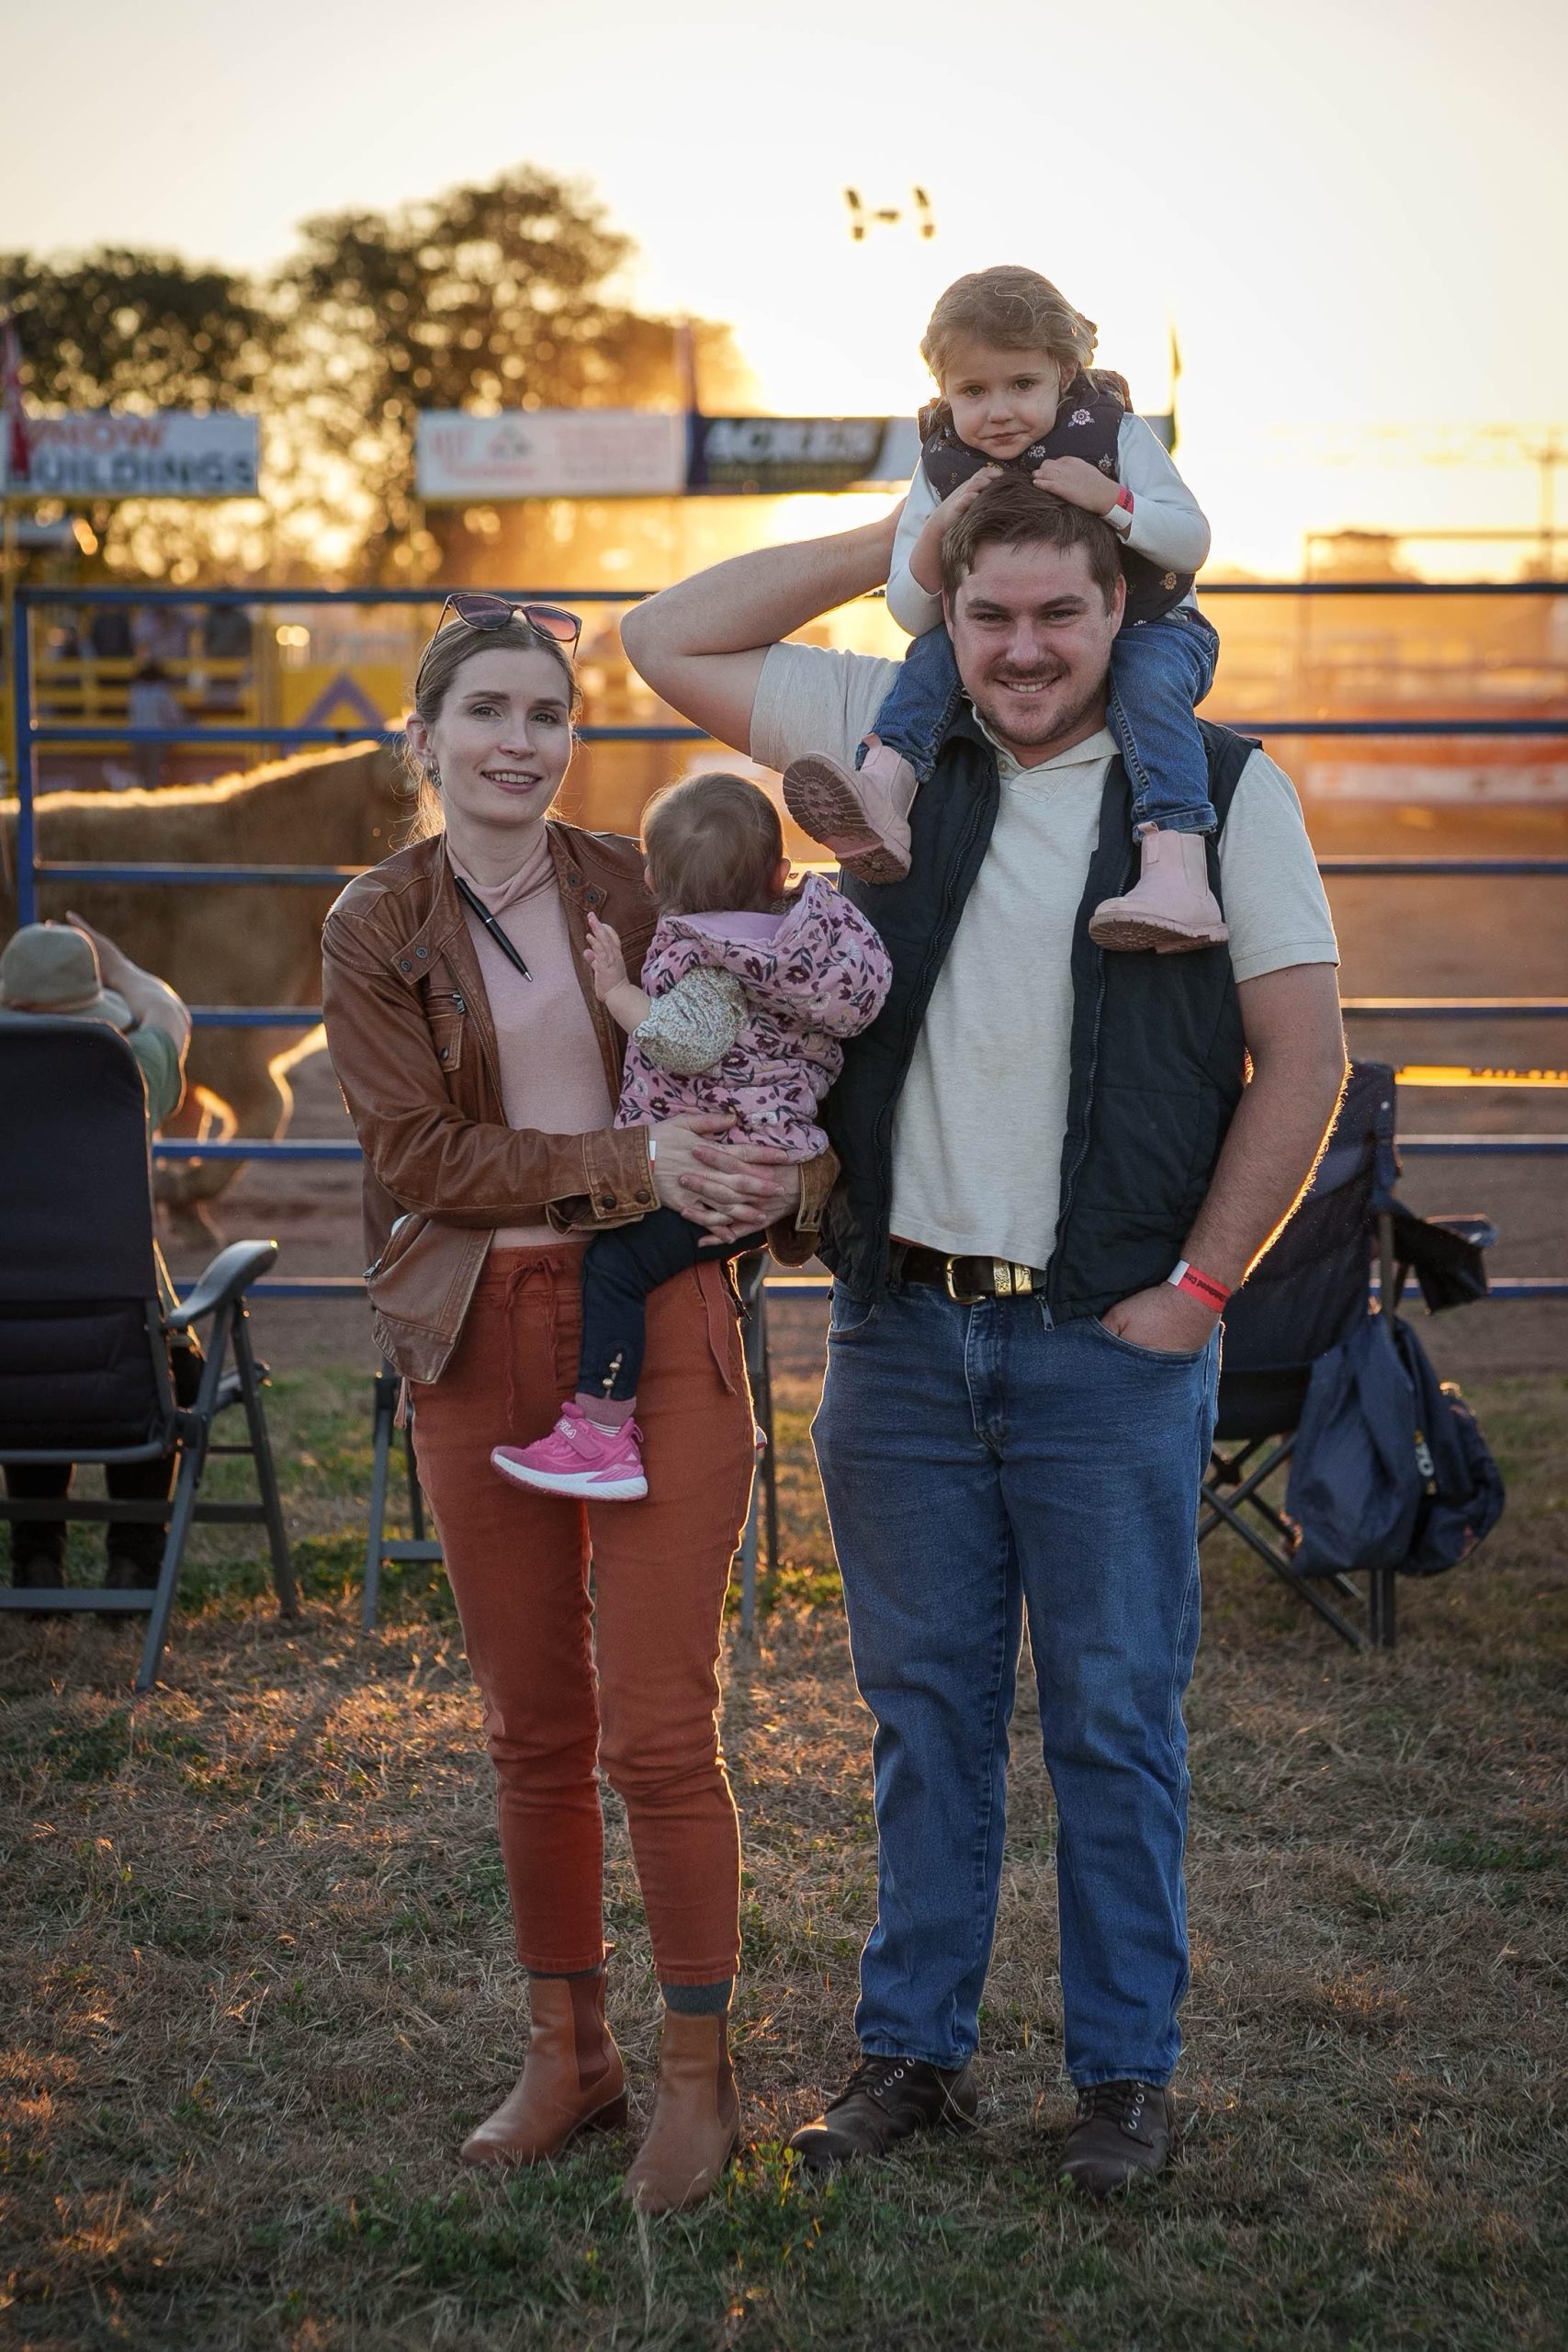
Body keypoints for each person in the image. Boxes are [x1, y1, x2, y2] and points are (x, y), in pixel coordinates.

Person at [621, 477, 1348, 2196]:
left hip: (1108, 1343)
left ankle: (1121, 2082)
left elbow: (1301, 1058)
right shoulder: (888, 740)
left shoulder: (1220, 793)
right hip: (899, 1334)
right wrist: (907, 530)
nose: (1019, 650)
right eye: (986, 614)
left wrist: (1202, 1290)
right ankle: (914, 2056)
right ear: (946, 614)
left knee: (1111, 1720)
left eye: (1058, 616)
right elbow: (667, 638)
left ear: (1126, 621)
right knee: (924, 1718)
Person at [321, 594, 829, 2214]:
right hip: (481, 1326)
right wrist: (626, 1158)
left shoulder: (636, 875)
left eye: (546, 714)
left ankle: (699, 2075)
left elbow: (805, 1029)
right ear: (426, 737)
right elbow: (413, 1157)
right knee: (532, 1727)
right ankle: (570, 2052)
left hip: (657, 1315)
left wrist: (797, 1175)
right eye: (486, 713)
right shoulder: (374, 921)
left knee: (661, 1729)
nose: (519, 743)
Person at [782, 264, 1225, 951]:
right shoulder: (942, 465)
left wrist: (1111, 499)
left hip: (1154, 626)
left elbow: (1190, 539)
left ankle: (1177, 873)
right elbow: (912, 611)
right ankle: (883, 796)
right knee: (932, 654)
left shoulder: (1111, 434)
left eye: (1022, 385)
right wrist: (933, 531)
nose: (998, 410)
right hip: (1023, 634)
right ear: (943, 392)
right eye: (972, 390)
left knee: (1144, 680)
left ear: (1063, 372)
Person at [492, 769, 890, 1503]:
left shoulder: (707, 957)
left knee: (615, 1267)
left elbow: (686, 1041)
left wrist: (617, 987)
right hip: (777, 1153)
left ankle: (602, 1435)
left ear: (652, 879)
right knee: (715, 1264)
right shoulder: (812, 946)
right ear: (778, 873)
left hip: (713, 1160)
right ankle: (726, 1410)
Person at [0, 917, 197, 1594]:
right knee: (163, 1355)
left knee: (28, 1331)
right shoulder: (129, 1070)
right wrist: (117, 964)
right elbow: (170, 1012)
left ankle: (35, 1556)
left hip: (8, 1360)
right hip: (125, 1357)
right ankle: (134, 1558)